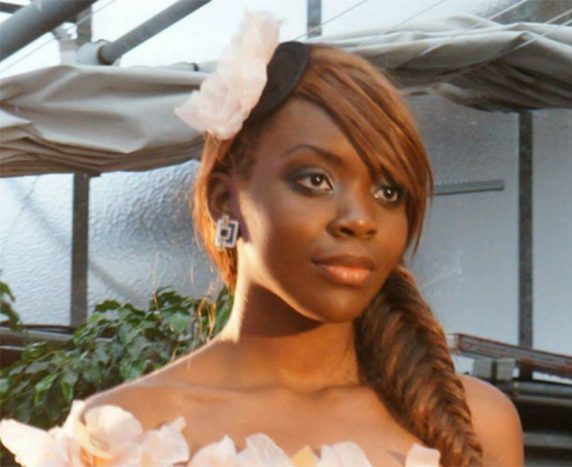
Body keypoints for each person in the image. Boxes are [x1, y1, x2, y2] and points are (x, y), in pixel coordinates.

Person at [1, 12, 523, 467]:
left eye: (389, 192)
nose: (360, 219)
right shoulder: (122, 435)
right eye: (315, 180)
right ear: (224, 200)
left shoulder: (477, 422)